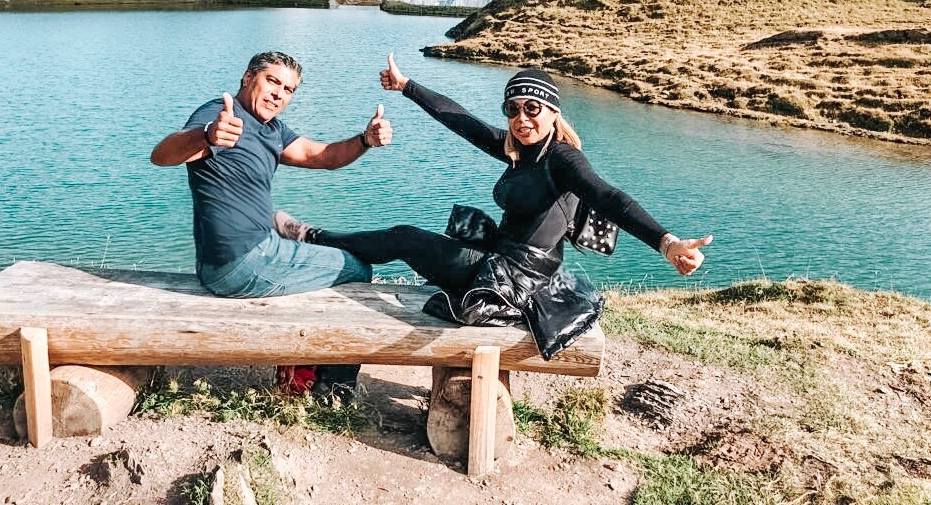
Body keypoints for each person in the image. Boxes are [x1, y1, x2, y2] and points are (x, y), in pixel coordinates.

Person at [276, 54, 712, 359]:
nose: (522, 118)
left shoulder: (562, 157)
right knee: (408, 237)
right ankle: (321, 243)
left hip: (513, 278)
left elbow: (607, 196)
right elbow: (461, 120)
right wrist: (407, 85)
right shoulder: (520, 149)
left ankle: (315, 239)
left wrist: (666, 243)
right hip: (501, 259)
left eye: (533, 108)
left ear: (553, 112)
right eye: (513, 109)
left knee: (404, 237)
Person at [150, 50, 391, 398]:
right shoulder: (220, 118)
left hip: (248, 254)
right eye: (272, 81)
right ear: (248, 78)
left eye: (288, 89)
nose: (279, 93)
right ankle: (324, 389)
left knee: (318, 252)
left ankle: (297, 365)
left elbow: (320, 156)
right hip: (241, 264)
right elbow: (162, 156)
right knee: (357, 269)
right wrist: (206, 135)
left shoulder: (271, 129)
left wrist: (365, 140)